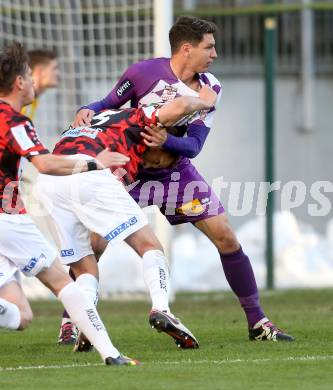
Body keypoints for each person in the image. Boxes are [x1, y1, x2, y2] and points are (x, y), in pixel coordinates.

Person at [72, 16, 294, 343]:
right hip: (130, 173)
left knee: (226, 237)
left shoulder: (209, 88)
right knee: (93, 244)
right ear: (187, 49)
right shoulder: (142, 73)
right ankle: (77, 320)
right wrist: (85, 110)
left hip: (175, 175)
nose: (215, 54)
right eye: (210, 46)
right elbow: (106, 105)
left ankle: (258, 322)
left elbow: (194, 146)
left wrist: (167, 142)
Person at [37, 84, 217, 351]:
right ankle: (162, 308)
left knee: (84, 268)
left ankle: (85, 323)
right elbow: (180, 106)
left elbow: (99, 234)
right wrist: (205, 101)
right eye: (163, 159)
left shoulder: (97, 123)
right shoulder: (139, 119)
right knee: (149, 245)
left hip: (50, 179)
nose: (154, 165)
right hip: (88, 173)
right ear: (156, 135)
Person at [0, 41, 140, 366]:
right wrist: (95, 163)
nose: (34, 82)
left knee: (20, 314)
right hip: (7, 219)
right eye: (29, 77)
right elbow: (46, 165)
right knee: (63, 281)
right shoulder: (13, 121)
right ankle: (111, 353)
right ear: (20, 82)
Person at [21, 48, 59, 119]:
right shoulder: (21, 97)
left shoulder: (33, 98)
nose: (58, 73)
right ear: (40, 71)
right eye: (54, 68)